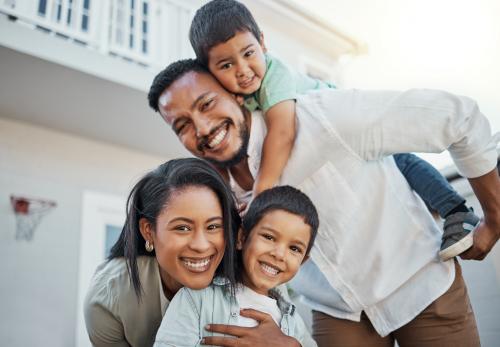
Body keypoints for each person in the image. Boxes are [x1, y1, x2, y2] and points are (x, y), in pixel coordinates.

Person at [147, 59, 500, 346]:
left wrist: (494, 219)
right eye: (182, 125)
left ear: (236, 94)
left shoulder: (322, 118)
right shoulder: (213, 193)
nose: (203, 127)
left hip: (421, 285)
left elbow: (458, 118)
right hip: (337, 315)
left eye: (206, 104)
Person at [188, 0, 480, 261]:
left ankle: (456, 210)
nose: (242, 69)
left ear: (263, 43)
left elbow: (282, 133)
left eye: (248, 53)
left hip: (348, 127)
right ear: (210, 71)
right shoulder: (234, 98)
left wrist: (261, 193)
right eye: (226, 64)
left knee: (400, 160)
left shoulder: (275, 74)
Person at [84, 158, 246, 347]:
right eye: (183, 228)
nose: (201, 246)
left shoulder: (250, 273)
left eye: (213, 226)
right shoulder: (109, 296)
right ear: (148, 231)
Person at [154, 186, 319, 347]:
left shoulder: (294, 323)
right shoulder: (196, 300)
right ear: (241, 238)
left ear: (303, 261)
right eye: (269, 237)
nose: (279, 254)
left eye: (294, 249)